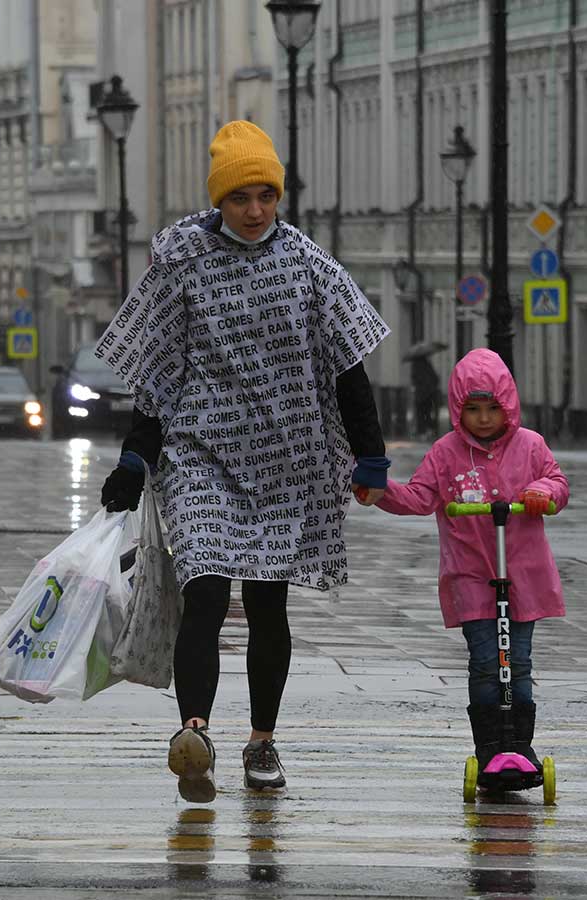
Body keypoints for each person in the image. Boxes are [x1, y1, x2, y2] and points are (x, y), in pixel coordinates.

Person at [96, 120, 390, 803]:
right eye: (240, 198)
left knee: (267, 603)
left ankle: (262, 740)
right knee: (202, 589)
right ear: (219, 201)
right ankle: (193, 738)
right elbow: (159, 373)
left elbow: (349, 369)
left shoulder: (311, 266)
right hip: (201, 456)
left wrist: (369, 457)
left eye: (266, 195)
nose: (255, 210)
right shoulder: (181, 265)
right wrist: (136, 459)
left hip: (288, 460)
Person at [368, 348, 568, 787]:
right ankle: (490, 745)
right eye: (472, 410)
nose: (482, 419)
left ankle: (520, 743)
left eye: (492, 409)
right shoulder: (447, 453)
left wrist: (541, 492)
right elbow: (420, 497)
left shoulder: (530, 446)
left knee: (519, 663)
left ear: (508, 406)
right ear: (458, 410)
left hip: (523, 573)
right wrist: (379, 491)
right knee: (484, 661)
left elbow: (557, 483)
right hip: (472, 575)